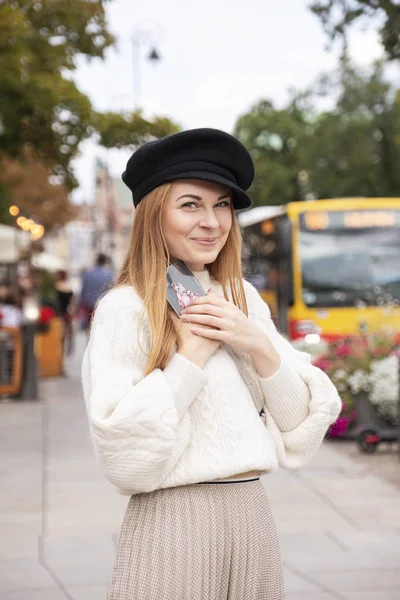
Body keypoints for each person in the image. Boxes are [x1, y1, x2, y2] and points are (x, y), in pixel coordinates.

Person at [82, 128, 341, 600]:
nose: (212, 222)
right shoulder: (125, 309)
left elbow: (301, 424)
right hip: (174, 522)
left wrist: (257, 344)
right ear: (152, 216)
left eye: (221, 204)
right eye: (190, 205)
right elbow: (124, 457)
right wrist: (190, 358)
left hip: (252, 516)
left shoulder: (243, 300)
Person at [78, 253, 113, 329]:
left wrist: (80, 304)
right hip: (102, 305)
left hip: (89, 305)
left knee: (90, 327)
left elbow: (83, 291)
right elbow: (110, 291)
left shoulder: (87, 274)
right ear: (105, 262)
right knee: (100, 327)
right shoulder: (109, 275)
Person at [54, 270, 74, 355]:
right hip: (66, 314)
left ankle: (60, 357)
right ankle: (64, 356)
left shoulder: (55, 287)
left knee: (59, 337)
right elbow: (72, 302)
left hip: (58, 314)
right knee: (66, 337)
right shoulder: (68, 288)